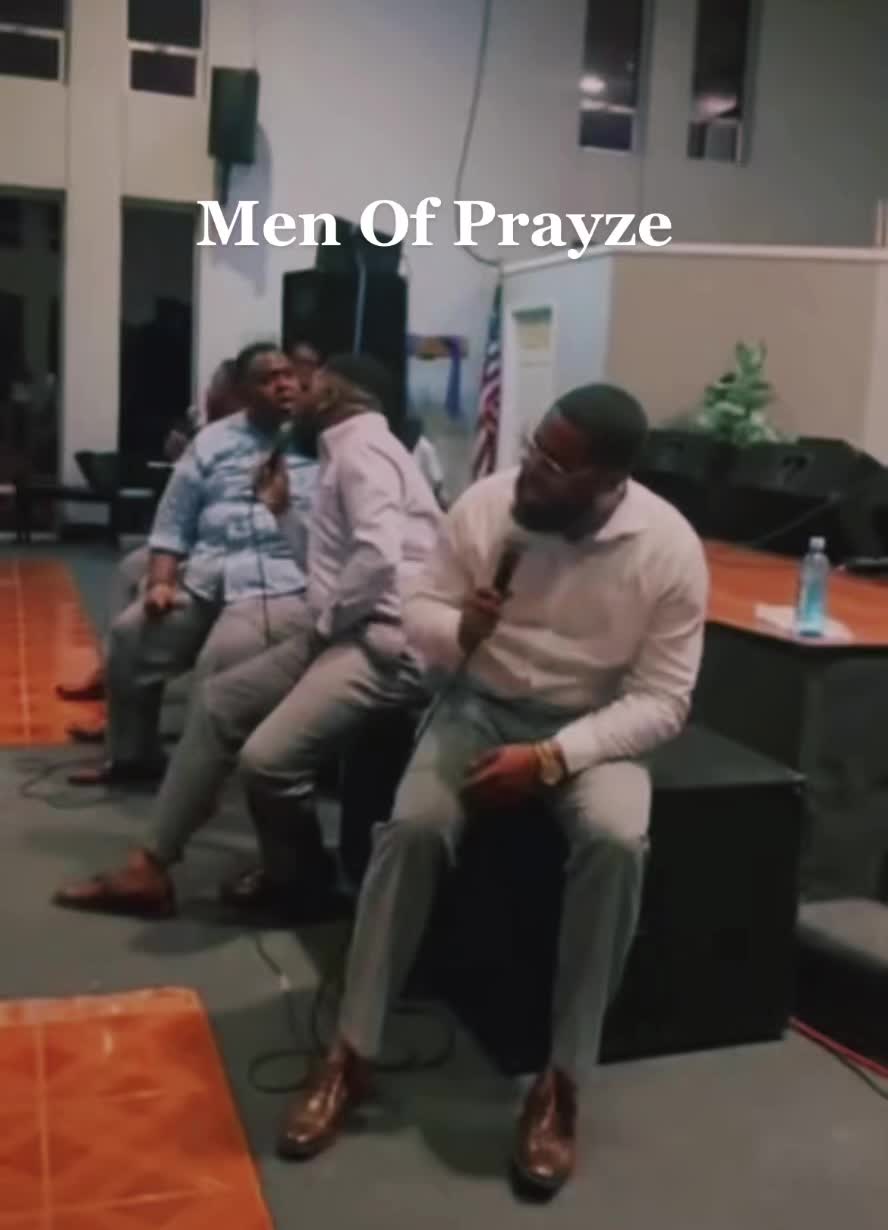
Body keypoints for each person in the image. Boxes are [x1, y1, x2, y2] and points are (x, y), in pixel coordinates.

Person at [274, 384, 709, 1194]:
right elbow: (419, 608)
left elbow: (663, 701)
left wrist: (550, 759)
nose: (530, 470)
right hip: (477, 704)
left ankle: (562, 1083)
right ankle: (351, 1052)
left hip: (592, 722)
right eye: (534, 446)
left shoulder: (669, 548)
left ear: (609, 480)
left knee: (617, 843)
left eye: (555, 464)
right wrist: (458, 630)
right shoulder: (485, 507)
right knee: (411, 829)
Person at [53, 354, 443, 919]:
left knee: (263, 756)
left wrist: (327, 624)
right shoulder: (341, 448)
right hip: (345, 624)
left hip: (381, 642)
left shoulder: (363, 452)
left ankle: (300, 879)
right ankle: (150, 868)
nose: (296, 396)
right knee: (219, 702)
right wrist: (282, 513)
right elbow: (329, 565)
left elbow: (377, 560)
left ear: (333, 398)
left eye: (308, 387)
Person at [66, 343, 318, 787]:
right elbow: (172, 524)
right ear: (243, 391)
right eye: (267, 378)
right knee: (130, 635)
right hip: (205, 577)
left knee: (219, 660)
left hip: (275, 587)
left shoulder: (316, 443)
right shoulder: (211, 442)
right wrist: (160, 583)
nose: (283, 385)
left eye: (286, 375)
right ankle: (133, 758)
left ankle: (196, 785)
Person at [57, 359, 242, 733]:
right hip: (195, 542)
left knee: (149, 601)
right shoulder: (209, 435)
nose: (207, 395)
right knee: (131, 568)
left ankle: (124, 698)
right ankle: (109, 673)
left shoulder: (265, 439)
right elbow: (181, 508)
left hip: (224, 555)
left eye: (215, 388)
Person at [402, 413, 448, 508]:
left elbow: (437, 478)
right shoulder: (401, 445)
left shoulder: (425, 447)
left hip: (424, 497)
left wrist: (436, 498)